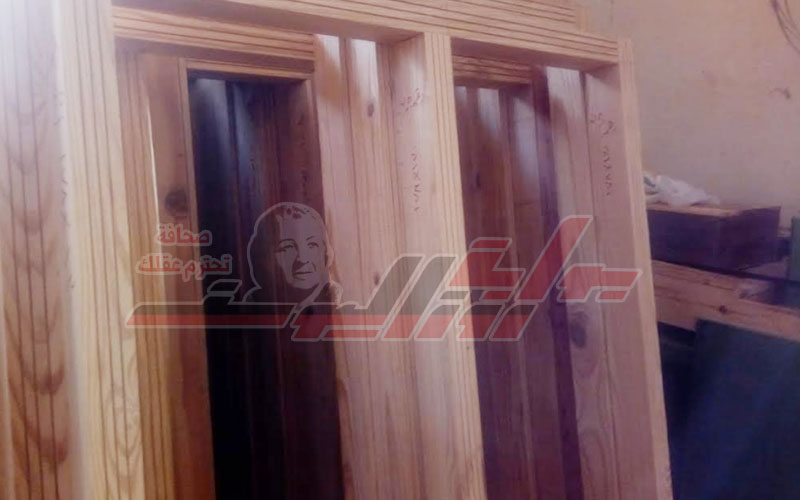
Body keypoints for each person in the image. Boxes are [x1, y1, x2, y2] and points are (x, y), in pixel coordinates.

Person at [244, 202, 340, 307]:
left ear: (326, 252)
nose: (303, 259)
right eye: (288, 247)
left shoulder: (342, 305)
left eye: (312, 245)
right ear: (264, 259)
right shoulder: (249, 309)